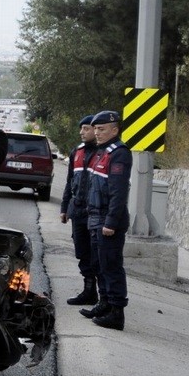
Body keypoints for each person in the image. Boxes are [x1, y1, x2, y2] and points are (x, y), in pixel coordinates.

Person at [80, 109, 132, 330]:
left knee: (111, 266)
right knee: (99, 265)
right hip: (95, 218)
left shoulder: (119, 153)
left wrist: (110, 222)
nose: (97, 133)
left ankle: (116, 312)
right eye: (96, 129)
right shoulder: (102, 152)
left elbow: (118, 193)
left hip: (107, 221)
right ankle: (104, 303)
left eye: (101, 129)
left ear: (115, 129)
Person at [60, 115, 99, 304]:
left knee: (96, 254)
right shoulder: (77, 152)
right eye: (81, 128)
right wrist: (64, 208)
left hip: (96, 212)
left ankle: (101, 295)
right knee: (82, 252)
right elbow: (69, 182)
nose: (81, 132)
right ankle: (89, 291)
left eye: (86, 128)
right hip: (77, 211)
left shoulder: (105, 153)